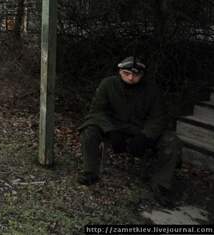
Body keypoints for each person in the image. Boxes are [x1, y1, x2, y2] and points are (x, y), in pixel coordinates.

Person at [78, 56, 182, 206]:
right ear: (120, 71)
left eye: (136, 74)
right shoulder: (108, 84)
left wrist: (145, 137)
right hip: (114, 126)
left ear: (142, 75)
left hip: (140, 129)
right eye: (127, 73)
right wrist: (111, 131)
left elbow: (158, 118)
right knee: (89, 130)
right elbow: (97, 111)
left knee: (172, 141)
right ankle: (90, 172)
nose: (131, 78)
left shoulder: (152, 90)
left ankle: (161, 184)